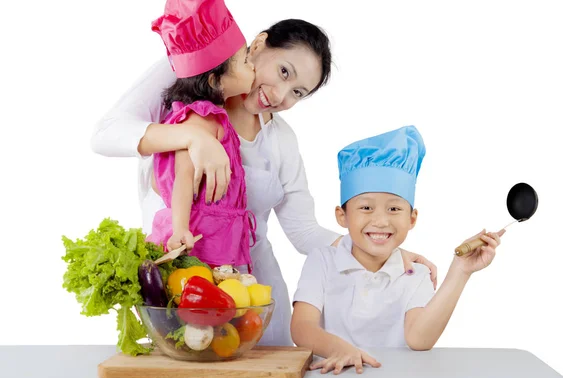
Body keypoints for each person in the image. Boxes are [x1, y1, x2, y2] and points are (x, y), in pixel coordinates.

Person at [91, 18, 438, 345]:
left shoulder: (281, 141)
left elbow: (303, 232)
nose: (280, 94)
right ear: (258, 45)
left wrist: (381, 249)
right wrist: (194, 139)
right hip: (179, 286)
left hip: (254, 294)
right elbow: (105, 135)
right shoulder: (192, 80)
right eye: (283, 71)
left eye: (298, 92)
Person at [290, 126, 503, 374]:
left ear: (412, 219)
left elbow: (419, 339)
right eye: (366, 208)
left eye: (394, 209)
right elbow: (301, 328)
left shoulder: (416, 273)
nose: (381, 221)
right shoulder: (323, 261)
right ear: (342, 216)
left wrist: (461, 271)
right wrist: (340, 349)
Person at [146, 0, 256, 269]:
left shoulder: (211, 115)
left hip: (214, 236)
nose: (252, 66)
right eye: (244, 61)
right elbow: (184, 174)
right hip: (198, 238)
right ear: (214, 80)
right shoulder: (201, 117)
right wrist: (181, 228)